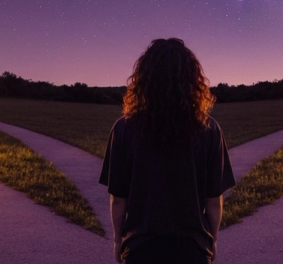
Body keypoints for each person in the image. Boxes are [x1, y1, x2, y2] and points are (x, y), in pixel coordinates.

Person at [99, 38, 235, 264]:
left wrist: (117, 241)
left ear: (144, 79)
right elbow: (214, 200)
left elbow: (118, 199)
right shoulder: (209, 129)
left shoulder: (123, 129)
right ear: (192, 80)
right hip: (193, 249)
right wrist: (213, 240)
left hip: (140, 248)